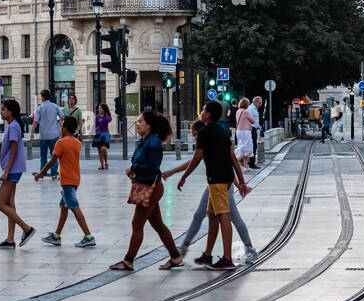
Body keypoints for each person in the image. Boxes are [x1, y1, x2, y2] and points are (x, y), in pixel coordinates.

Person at [163, 118, 258, 265]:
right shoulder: (212, 139)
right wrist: (238, 184)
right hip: (217, 184)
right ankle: (200, 253)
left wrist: (238, 184)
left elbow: (203, 162)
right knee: (204, 215)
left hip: (220, 184)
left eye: (194, 134)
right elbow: (219, 162)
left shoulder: (208, 139)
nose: (194, 138)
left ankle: (246, 250)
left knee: (229, 216)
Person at [109, 108, 182, 272]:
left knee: (137, 223)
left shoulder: (154, 143)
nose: (138, 124)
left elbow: (153, 167)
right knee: (158, 224)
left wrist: (133, 168)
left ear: (149, 125)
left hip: (151, 187)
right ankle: (175, 256)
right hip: (146, 185)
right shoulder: (144, 141)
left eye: (141, 121)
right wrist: (134, 170)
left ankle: (128, 261)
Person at [174, 99, 242, 270]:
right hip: (225, 178)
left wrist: (184, 176)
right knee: (212, 216)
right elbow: (232, 157)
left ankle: (227, 259)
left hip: (217, 179)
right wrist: (241, 181)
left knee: (223, 216)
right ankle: (207, 255)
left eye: (204, 109)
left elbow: (197, 158)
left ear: (209, 114)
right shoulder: (223, 131)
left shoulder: (204, 132)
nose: (202, 111)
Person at [34, 115, 96, 247]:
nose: (60, 129)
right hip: (75, 179)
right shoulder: (77, 143)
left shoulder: (60, 143)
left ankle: (89, 236)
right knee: (63, 206)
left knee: (74, 207)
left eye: (61, 126)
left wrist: (40, 174)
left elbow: (52, 161)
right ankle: (57, 236)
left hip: (67, 180)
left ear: (66, 129)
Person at [0, 98, 34, 250]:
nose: (1, 112)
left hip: (12, 170)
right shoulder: (11, 126)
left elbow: (14, 151)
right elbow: (9, 148)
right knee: (10, 205)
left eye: (3, 109)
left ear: (10, 111)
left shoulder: (13, 127)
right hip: (14, 168)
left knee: (1, 204)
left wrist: (6, 172)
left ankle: (26, 228)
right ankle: (10, 240)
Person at [29, 89, 63, 180]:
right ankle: (54, 172)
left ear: (43, 97)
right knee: (54, 155)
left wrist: (32, 133)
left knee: (43, 155)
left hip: (43, 135)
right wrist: (60, 127)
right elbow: (62, 117)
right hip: (54, 134)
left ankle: (42, 172)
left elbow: (35, 122)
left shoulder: (39, 108)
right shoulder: (55, 106)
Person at [234, 97, 254, 169]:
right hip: (245, 131)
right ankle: (234, 161)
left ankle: (246, 166)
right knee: (247, 148)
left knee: (242, 147)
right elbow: (253, 120)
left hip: (239, 131)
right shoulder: (245, 112)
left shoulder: (238, 111)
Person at [93, 102, 112, 170]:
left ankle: (106, 162)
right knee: (99, 151)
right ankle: (102, 165)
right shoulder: (97, 117)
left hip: (105, 134)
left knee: (103, 148)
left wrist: (106, 115)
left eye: (100, 108)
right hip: (98, 134)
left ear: (104, 109)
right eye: (99, 108)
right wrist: (93, 133)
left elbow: (109, 120)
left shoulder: (107, 116)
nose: (99, 109)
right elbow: (94, 125)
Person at [248, 94, 263, 168]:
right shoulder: (250, 109)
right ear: (255, 102)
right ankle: (251, 163)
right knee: (253, 146)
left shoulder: (254, 109)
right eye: (260, 103)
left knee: (254, 146)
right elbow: (248, 120)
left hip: (254, 129)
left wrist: (258, 125)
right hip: (251, 130)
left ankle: (251, 162)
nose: (260, 105)